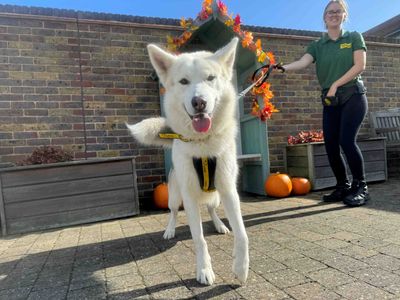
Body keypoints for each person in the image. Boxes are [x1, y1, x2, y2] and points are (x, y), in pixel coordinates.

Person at [279, 0, 369, 206]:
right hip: (331, 99)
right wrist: (282, 68)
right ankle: (342, 186)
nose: (334, 14)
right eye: (330, 12)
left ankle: (361, 187)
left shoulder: (354, 37)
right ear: (324, 18)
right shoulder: (318, 45)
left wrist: (335, 84)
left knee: (347, 141)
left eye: (338, 11)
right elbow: (303, 62)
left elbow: (360, 65)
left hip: (353, 95)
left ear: (344, 15)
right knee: (330, 145)